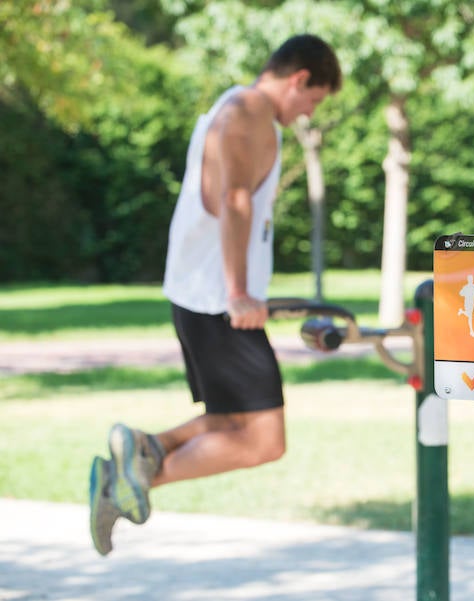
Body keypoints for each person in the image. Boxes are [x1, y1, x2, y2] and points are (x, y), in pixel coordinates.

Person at [88, 34, 342, 556]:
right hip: (217, 300)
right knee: (264, 439)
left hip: (202, 296)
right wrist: (239, 292)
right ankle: (124, 485)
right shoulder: (250, 112)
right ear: (299, 79)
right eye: (312, 100)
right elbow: (232, 200)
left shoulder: (233, 105)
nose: (306, 113)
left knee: (231, 420)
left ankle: (146, 448)